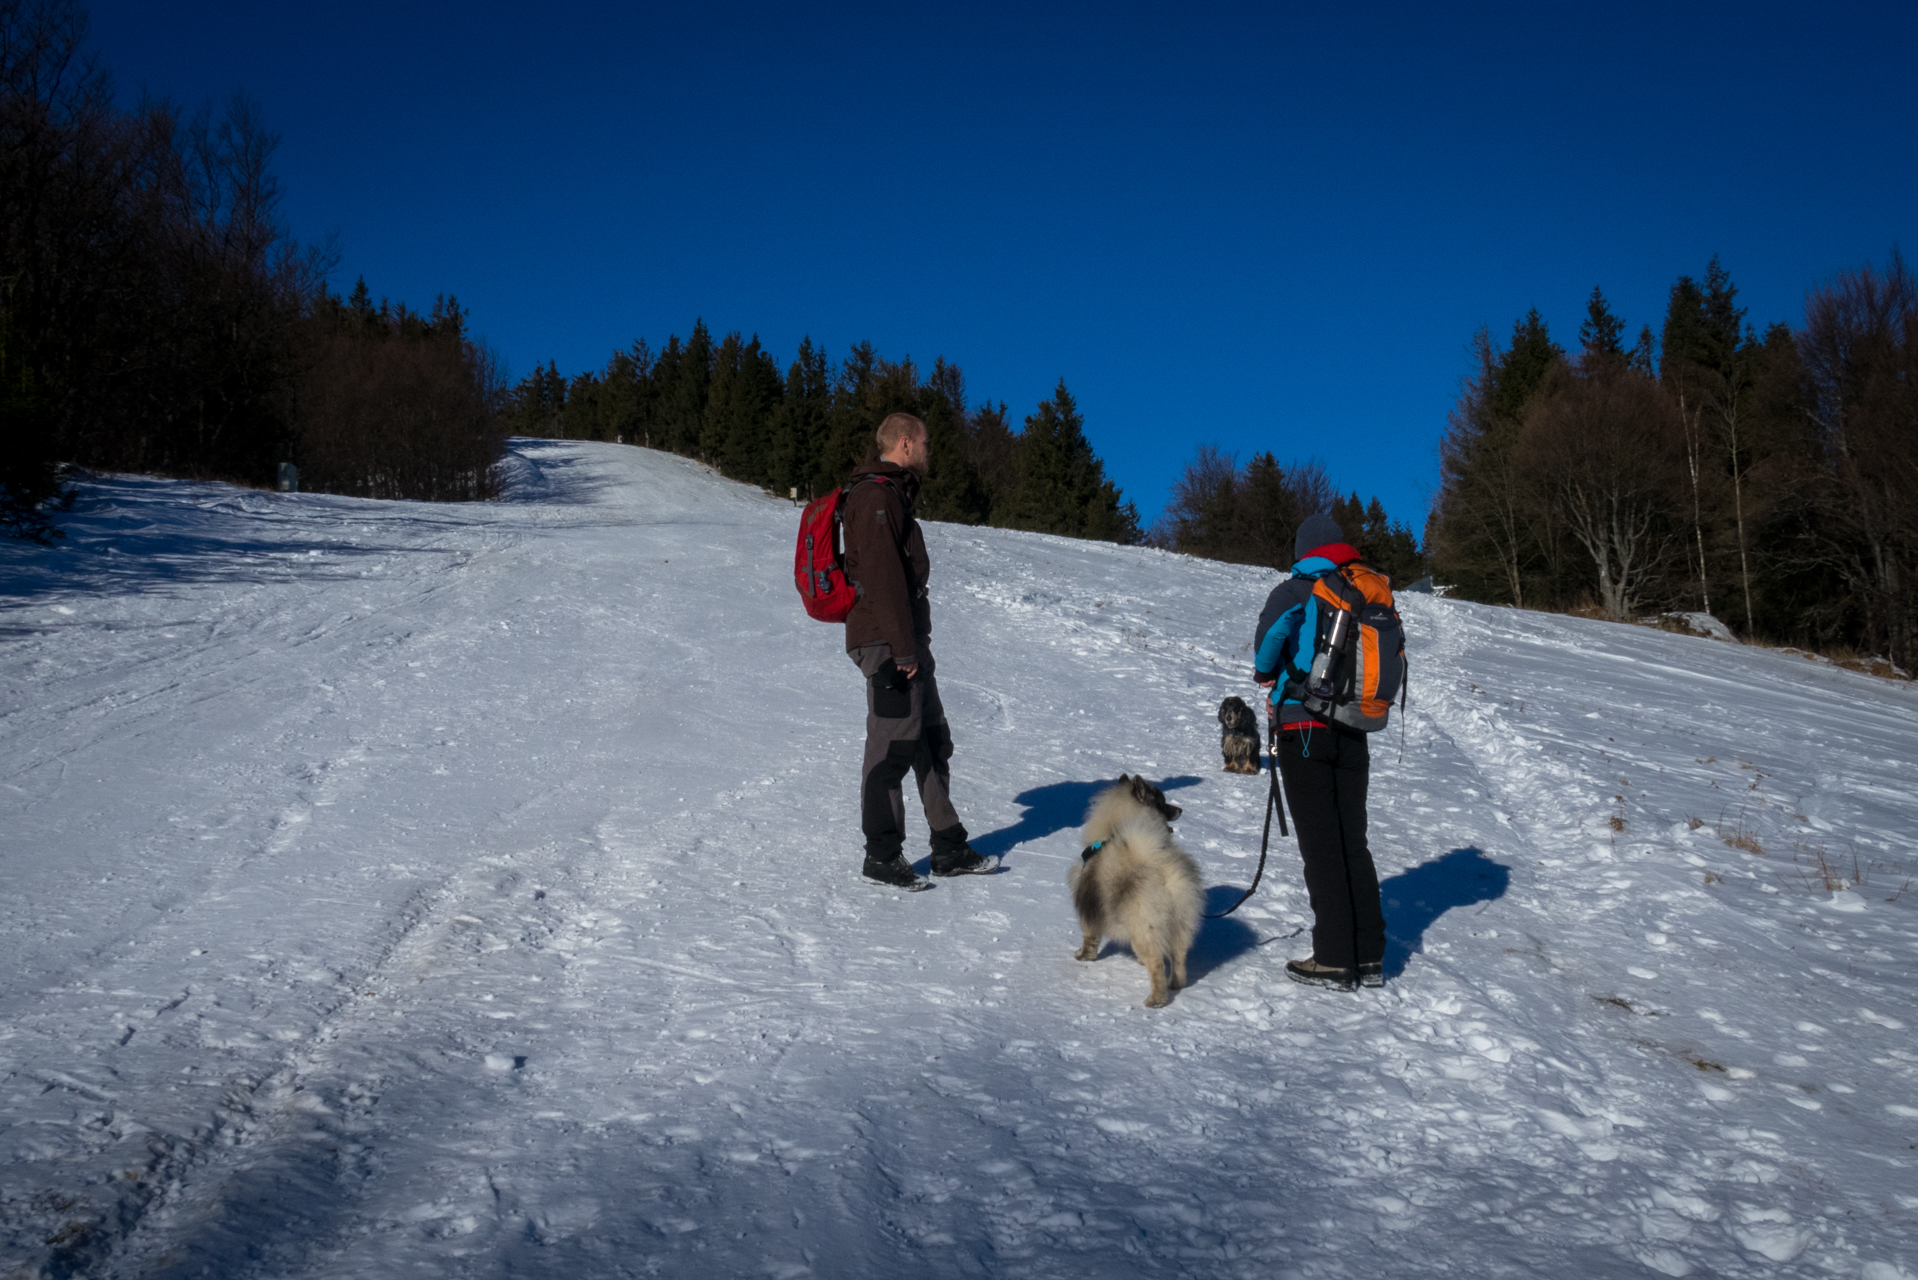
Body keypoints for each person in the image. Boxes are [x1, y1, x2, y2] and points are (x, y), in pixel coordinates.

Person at [843, 412, 996, 889]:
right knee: (891, 750)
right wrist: (903, 649)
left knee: (932, 742)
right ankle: (882, 855)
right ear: (905, 444)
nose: (930, 451)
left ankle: (948, 845)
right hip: (888, 645)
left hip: (906, 642)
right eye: (926, 443)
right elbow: (885, 579)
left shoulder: (892, 494)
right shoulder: (874, 497)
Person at [1252, 513, 1387, 990]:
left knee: (1322, 846)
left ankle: (1333, 957)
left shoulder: (1295, 591)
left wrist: (1265, 674)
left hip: (1303, 727)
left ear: (1302, 550)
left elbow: (1266, 647)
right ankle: (1368, 955)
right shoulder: (1363, 586)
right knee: (1353, 842)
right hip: (1355, 729)